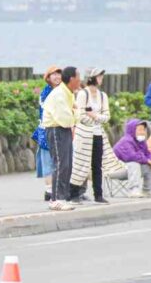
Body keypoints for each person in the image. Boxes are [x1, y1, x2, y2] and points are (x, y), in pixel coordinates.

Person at [69, 68, 112, 204]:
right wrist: (96, 119)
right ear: (92, 77)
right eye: (99, 76)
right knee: (80, 163)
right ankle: (74, 193)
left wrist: (94, 116)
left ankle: (98, 194)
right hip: (84, 134)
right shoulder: (83, 94)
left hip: (98, 133)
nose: (101, 79)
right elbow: (80, 116)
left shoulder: (102, 95)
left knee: (97, 165)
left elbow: (107, 116)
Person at [42, 65, 79, 209]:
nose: (80, 80)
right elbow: (65, 119)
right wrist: (75, 113)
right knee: (61, 163)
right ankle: (56, 199)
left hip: (64, 129)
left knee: (67, 164)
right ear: (71, 79)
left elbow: (72, 114)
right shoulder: (59, 94)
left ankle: (63, 197)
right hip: (56, 129)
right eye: (78, 77)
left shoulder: (68, 92)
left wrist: (74, 113)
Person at [33, 66, 62, 201]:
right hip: (47, 129)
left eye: (58, 74)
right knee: (48, 161)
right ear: (48, 77)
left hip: (60, 129)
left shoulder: (62, 91)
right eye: (53, 74)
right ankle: (49, 190)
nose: (57, 77)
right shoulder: (46, 92)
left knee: (58, 160)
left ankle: (56, 188)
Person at [113, 119, 151, 197]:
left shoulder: (141, 142)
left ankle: (147, 190)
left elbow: (148, 153)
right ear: (132, 130)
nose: (142, 132)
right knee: (134, 163)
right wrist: (147, 160)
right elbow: (131, 156)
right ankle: (133, 190)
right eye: (139, 130)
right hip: (116, 170)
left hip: (130, 170)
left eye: (144, 130)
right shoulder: (125, 141)